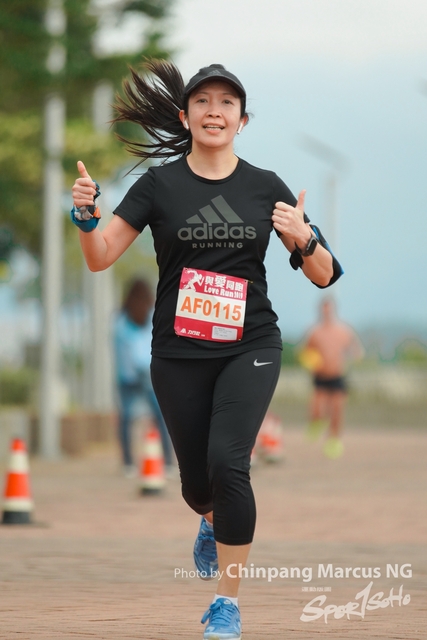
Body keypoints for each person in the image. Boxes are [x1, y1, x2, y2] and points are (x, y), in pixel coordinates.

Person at [71, 59, 342, 640]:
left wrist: (304, 239)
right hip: (178, 351)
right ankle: (211, 519)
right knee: (198, 486)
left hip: (252, 344)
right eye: (202, 102)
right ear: (185, 116)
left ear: (242, 120)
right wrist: (86, 217)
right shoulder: (159, 186)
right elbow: (100, 257)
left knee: (229, 462)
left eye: (226, 103)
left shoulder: (265, 186)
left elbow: (325, 275)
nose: (214, 111)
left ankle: (227, 604)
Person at [113, 277, 174, 477]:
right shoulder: (152, 316)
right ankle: (168, 462)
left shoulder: (120, 321)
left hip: (127, 376)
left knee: (126, 419)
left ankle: (128, 463)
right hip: (148, 374)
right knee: (161, 417)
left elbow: (122, 351)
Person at [301, 297, 364, 459]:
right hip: (320, 377)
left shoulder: (343, 331)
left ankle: (333, 441)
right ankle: (316, 424)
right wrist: (312, 362)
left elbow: (356, 350)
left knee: (337, 410)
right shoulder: (315, 332)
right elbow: (306, 352)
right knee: (317, 410)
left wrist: (352, 357)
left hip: (337, 376)